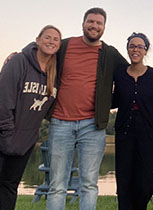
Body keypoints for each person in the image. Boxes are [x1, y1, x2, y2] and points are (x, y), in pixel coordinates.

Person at [0, 25, 61, 210]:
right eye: (47, 37)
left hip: (22, 140)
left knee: (9, 187)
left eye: (56, 39)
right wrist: (9, 137)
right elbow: (0, 105)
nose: (51, 41)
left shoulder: (55, 74)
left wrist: (23, 139)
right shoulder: (19, 61)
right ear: (37, 40)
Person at [45, 7, 127, 210]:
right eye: (91, 21)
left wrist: (107, 103)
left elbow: (129, 76)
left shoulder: (109, 54)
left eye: (99, 23)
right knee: (57, 184)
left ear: (104, 27)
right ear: (83, 23)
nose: (94, 26)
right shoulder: (64, 46)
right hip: (60, 122)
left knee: (89, 184)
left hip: (92, 125)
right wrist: (18, 55)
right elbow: (41, 49)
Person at [112, 32, 153, 210]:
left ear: (146, 50)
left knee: (144, 185)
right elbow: (113, 99)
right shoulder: (119, 74)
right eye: (132, 46)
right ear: (127, 49)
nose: (135, 49)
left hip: (147, 135)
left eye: (140, 46)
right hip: (124, 134)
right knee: (124, 182)